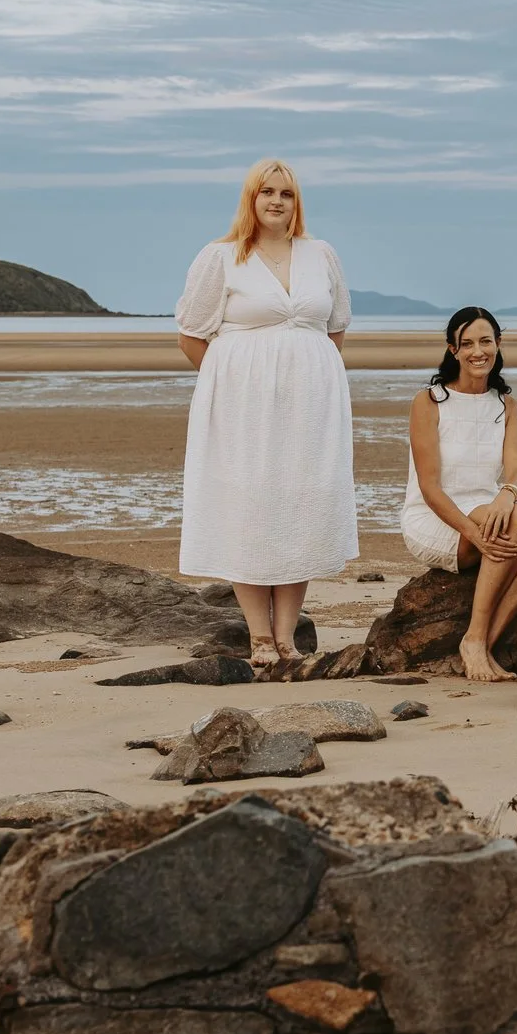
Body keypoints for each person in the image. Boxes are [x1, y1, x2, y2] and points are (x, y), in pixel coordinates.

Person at [175, 157, 357, 668]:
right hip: (242, 407)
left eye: (287, 193)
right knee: (250, 506)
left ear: (297, 202)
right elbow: (192, 334)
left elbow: (335, 326)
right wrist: (229, 385)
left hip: (310, 407)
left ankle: (287, 635)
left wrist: (310, 373)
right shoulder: (222, 257)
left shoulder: (320, 253)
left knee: (301, 503)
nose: (277, 201)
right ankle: (258, 636)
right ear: (250, 199)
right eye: (267, 192)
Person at [401, 306, 517, 682]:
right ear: (452, 350)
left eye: (486, 341)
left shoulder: (506, 405)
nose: (478, 351)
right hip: (435, 517)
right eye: (467, 343)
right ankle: (473, 639)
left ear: (498, 344)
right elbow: (430, 487)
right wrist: (474, 536)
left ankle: (483, 642)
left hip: (486, 511)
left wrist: (507, 494)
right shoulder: (429, 401)